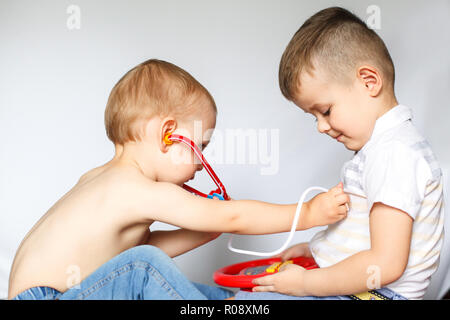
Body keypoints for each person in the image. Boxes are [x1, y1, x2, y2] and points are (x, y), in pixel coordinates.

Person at [8, 59, 349, 300]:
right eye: (199, 147)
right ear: (168, 134)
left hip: (73, 292)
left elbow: (140, 247)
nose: (201, 165)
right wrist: (308, 213)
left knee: (202, 289)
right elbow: (234, 216)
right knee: (143, 267)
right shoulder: (134, 188)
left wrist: (205, 229)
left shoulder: (101, 180)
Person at [235, 7, 445, 300]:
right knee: (251, 293)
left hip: (377, 294)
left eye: (325, 111)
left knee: (254, 301)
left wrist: (308, 283)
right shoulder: (381, 149)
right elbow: (362, 236)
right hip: (362, 290)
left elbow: (386, 263)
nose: (321, 127)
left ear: (369, 82)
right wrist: (319, 249)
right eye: (314, 117)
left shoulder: (394, 153)